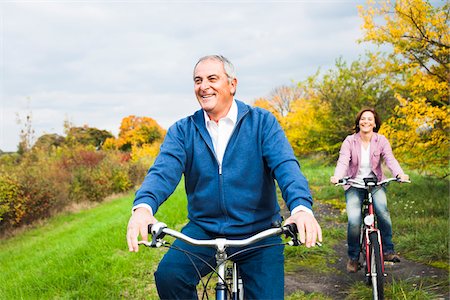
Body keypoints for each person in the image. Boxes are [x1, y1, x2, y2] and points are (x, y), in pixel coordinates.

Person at [126, 54, 322, 299]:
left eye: (212, 78)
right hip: (205, 229)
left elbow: (286, 167)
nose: (203, 86)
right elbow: (162, 172)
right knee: (169, 275)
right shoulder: (182, 130)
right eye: (198, 80)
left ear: (232, 84)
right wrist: (143, 207)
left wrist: (301, 208)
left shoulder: (262, 123)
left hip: (259, 231)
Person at [330, 108, 409, 273]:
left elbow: (389, 159)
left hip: (375, 183)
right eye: (362, 119)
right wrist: (337, 176)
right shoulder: (350, 141)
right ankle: (353, 258)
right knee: (354, 220)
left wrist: (399, 174)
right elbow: (343, 161)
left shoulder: (381, 140)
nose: (365, 121)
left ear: (375, 123)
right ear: (358, 122)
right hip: (354, 183)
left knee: (383, 213)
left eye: (369, 119)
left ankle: (387, 251)